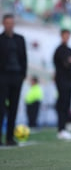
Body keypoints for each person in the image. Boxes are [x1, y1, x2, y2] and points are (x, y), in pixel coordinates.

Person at [0, 14, 27, 146]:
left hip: (17, 77)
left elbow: (24, 58)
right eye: (7, 22)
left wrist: (22, 75)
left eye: (11, 22)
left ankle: (9, 138)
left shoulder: (20, 39)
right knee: (0, 108)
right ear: (3, 24)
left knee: (13, 108)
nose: (9, 25)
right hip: (3, 77)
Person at [53, 29, 71, 140]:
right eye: (64, 35)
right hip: (61, 80)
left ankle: (64, 128)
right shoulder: (59, 50)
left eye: (68, 36)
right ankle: (61, 129)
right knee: (62, 103)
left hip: (69, 79)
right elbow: (65, 62)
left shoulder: (70, 49)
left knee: (67, 104)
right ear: (61, 36)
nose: (66, 37)